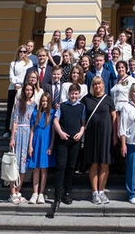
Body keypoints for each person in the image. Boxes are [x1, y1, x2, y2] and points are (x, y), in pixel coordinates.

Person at [49, 83, 86, 215]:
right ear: (68, 94)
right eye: (72, 93)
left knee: (71, 167)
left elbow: (83, 124)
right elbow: (55, 121)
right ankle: (57, 196)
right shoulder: (63, 106)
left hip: (75, 141)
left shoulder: (82, 107)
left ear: (79, 94)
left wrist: (81, 133)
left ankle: (67, 193)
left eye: (76, 94)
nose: (74, 96)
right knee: (61, 167)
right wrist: (60, 133)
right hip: (62, 141)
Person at [82, 76, 117, 204]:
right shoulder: (86, 99)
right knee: (94, 163)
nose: (97, 86)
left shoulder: (108, 99)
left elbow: (114, 117)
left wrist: (114, 135)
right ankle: (94, 192)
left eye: (99, 84)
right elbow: (82, 117)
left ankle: (102, 191)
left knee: (104, 163)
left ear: (103, 85)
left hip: (106, 135)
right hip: (92, 135)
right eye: (95, 84)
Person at [9, 83, 37, 204]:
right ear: (24, 91)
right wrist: (12, 138)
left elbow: (32, 125)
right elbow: (15, 121)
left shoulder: (35, 105)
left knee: (23, 164)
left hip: (27, 134)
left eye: (31, 90)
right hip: (18, 133)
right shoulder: (18, 103)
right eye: (27, 90)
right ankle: (12, 192)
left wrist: (31, 142)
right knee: (14, 164)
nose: (29, 92)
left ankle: (18, 191)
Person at [27, 93, 55, 204]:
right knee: (36, 169)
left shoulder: (52, 114)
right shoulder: (35, 113)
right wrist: (30, 146)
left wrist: (51, 146)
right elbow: (32, 130)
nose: (44, 103)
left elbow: (53, 132)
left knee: (44, 169)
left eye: (46, 101)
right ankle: (34, 193)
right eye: (43, 101)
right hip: (36, 143)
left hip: (46, 143)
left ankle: (41, 193)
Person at [6, 45, 31, 138]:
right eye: (21, 51)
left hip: (24, 88)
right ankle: (8, 129)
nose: (22, 53)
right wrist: (16, 83)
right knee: (11, 109)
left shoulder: (29, 63)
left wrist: (21, 84)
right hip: (13, 88)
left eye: (24, 52)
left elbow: (28, 75)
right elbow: (11, 76)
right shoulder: (13, 63)